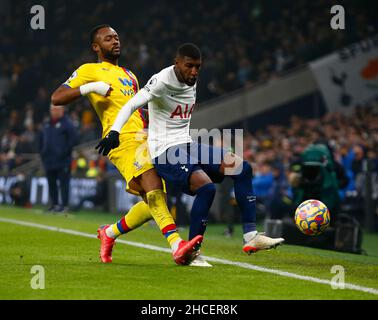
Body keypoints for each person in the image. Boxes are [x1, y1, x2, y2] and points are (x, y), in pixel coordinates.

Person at [97, 43, 285, 266]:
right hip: (165, 152)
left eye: (198, 67)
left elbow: (168, 111)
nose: (194, 72)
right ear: (177, 63)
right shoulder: (161, 81)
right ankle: (191, 252)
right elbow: (130, 105)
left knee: (242, 168)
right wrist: (114, 132)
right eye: (189, 66)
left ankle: (251, 236)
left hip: (186, 144)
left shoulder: (190, 80)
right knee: (206, 188)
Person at [51, 25, 202, 265]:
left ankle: (109, 233)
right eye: (108, 38)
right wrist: (91, 87)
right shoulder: (89, 70)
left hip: (146, 137)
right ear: (96, 47)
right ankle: (177, 245)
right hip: (120, 139)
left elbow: (135, 108)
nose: (115, 41)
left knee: (154, 197)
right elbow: (57, 97)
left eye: (117, 37)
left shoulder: (130, 75)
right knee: (152, 184)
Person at [39, 104, 78, 213]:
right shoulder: (46, 124)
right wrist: (42, 153)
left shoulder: (68, 124)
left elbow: (74, 139)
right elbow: (41, 139)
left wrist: (64, 152)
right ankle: (54, 204)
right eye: (52, 109)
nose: (54, 111)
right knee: (51, 183)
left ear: (62, 110)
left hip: (63, 160)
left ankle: (64, 205)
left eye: (57, 109)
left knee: (64, 183)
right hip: (49, 159)